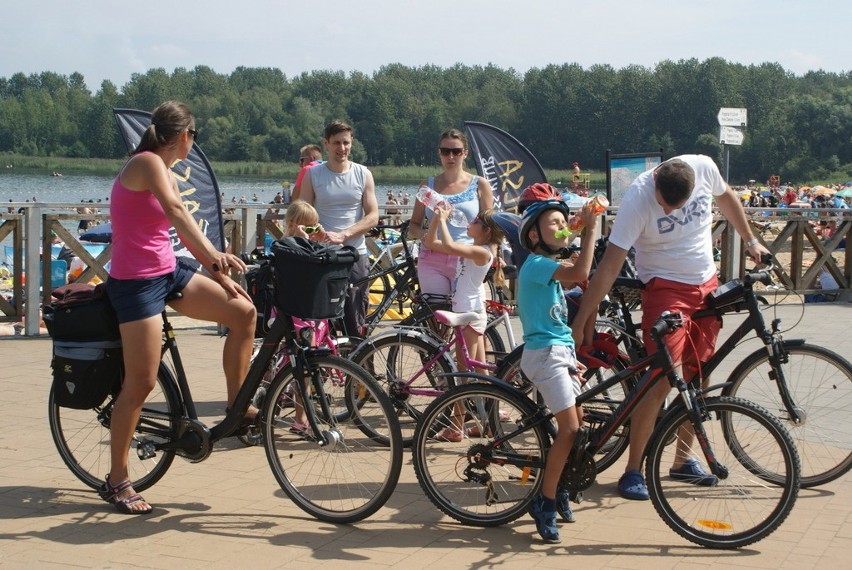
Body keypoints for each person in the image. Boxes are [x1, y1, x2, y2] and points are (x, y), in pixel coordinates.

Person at [571, 155, 770, 501]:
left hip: (706, 284)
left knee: (701, 375)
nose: (668, 212)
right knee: (660, 380)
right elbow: (608, 267)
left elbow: (728, 198)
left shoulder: (704, 167)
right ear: (656, 183)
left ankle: (682, 459)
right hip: (664, 287)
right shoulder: (637, 198)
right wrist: (581, 320)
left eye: (676, 207)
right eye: (664, 205)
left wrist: (750, 239)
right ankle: (633, 469)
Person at [101, 101, 257, 515]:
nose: (195, 142)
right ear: (184, 135)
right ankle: (117, 478)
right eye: (195, 135)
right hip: (136, 285)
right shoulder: (148, 162)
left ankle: (235, 407)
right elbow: (176, 212)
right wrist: (217, 259)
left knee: (244, 313)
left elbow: (180, 225)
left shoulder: (164, 169)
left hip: (169, 273)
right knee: (141, 384)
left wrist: (216, 272)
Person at [516, 198, 599, 542]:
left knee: (578, 431)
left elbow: (578, 271)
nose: (561, 225)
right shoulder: (534, 263)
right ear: (534, 235)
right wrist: (591, 229)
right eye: (553, 222)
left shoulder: (547, 265)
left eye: (564, 221)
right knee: (568, 430)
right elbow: (580, 274)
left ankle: (559, 485)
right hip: (544, 354)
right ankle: (545, 500)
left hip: (559, 351)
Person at [421, 205, 505, 442]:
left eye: (475, 220)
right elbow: (431, 243)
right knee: (479, 370)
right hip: (471, 309)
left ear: (486, 231)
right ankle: (490, 422)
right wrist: (437, 219)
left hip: (468, 312)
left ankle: (456, 426)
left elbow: (446, 246)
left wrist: (445, 218)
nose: (470, 222)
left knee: (463, 374)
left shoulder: (483, 252)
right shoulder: (478, 248)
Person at [299, 121, 378, 337]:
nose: (341, 149)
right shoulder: (313, 175)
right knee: (323, 320)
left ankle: (358, 366)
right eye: (336, 143)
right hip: (322, 256)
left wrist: (344, 234)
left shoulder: (363, 174)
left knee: (356, 319)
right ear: (326, 144)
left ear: (351, 143)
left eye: (346, 143)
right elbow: (301, 213)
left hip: (355, 254)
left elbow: (372, 216)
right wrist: (317, 231)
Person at [408, 129, 494, 300]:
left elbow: (490, 228)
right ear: (439, 153)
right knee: (436, 315)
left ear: (465, 153)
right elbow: (413, 225)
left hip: (465, 257)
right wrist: (421, 234)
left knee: (465, 316)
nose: (451, 157)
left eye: (456, 151)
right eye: (445, 151)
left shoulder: (480, 184)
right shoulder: (427, 185)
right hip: (432, 258)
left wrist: (492, 256)